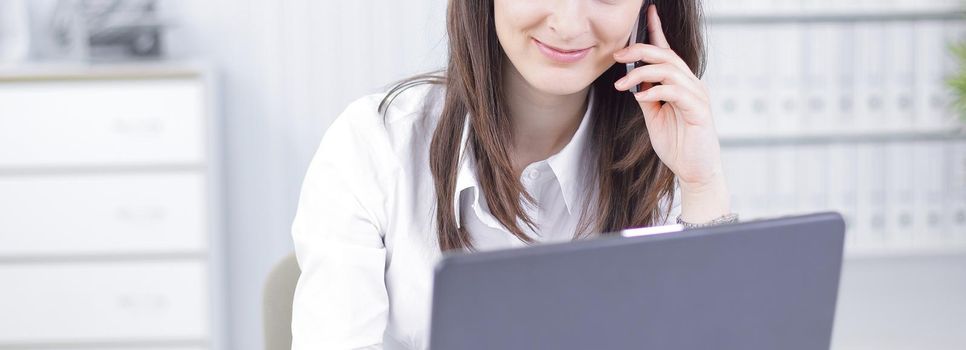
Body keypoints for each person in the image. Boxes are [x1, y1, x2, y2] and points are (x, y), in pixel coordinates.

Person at [291, 0, 736, 349]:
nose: (568, 22)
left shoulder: (663, 156)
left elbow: (711, 334)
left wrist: (703, 183)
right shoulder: (375, 144)